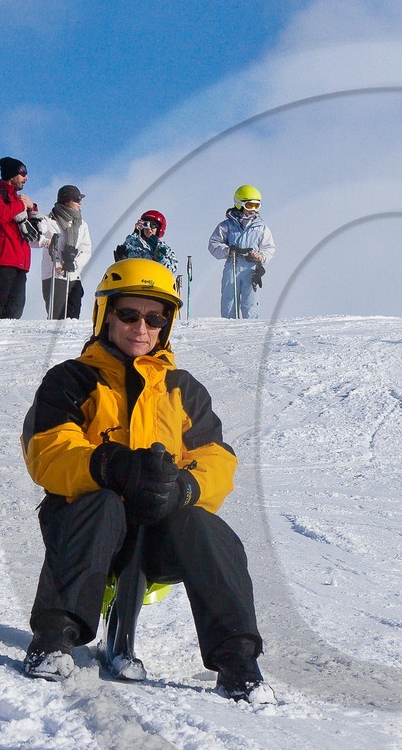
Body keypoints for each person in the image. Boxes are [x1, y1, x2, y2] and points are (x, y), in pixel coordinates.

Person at [19, 258, 274, 702]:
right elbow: (47, 450)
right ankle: (54, 638)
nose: (142, 327)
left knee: (206, 528)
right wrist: (108, 466)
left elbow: (215, 456)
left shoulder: (182, 388)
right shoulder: (72, 380)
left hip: (156, 535)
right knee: (103, 504)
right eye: (129, 314)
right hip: (85, 527)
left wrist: (183, 488)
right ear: (105, 315)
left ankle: (238, 663)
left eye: (155, 318)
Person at [0, 157, 42, 319]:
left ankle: (4, 343)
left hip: (19, 260)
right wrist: (21, 205)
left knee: (15, 310)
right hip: (1, 258)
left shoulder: (17, 198)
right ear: (11, 175)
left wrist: (32, 207)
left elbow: (32, 227)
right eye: (23, 173)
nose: (26, 178)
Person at [209, 184, 275, 319]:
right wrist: (227, 251)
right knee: (229, 302)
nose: (253, 210)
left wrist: (260, 257)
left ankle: (251, 332)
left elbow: (269, 247)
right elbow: (213, 244)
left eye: (257, 206)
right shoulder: (226, 225)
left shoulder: (261, 227)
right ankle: (228, 332)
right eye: (250, 205)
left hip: (251, 268)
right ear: (239, 204)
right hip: (232, 265)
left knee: (250, 303)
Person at [38, 185, 91, 320]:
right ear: (66, 201)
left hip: (74, 275)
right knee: (57, 317)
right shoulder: (48, 221)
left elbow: (86, 250)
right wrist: (47, 243)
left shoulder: (81, 224)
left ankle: (69, 342)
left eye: (80, 199)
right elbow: (34, 239)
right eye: (76, 199)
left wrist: (75, 264)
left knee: (73, 318)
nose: (80, 202)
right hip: (54, 275)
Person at [116, 209, 181, 277]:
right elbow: (125, 250)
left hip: (155, 281)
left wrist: (159, 255)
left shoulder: (163, 248)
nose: (149, 228)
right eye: (146, 224)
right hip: (135, 280)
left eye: (153, 226)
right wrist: (136, 233)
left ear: (159, 229)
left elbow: (172, 267)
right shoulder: (134, 244)